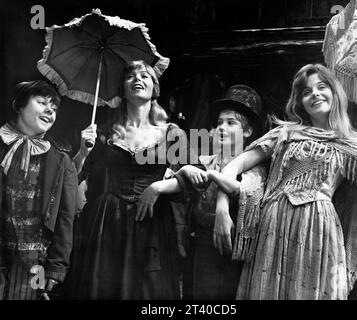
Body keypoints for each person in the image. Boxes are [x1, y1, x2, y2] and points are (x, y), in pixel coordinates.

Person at [213, 64, 357, 300]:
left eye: (322, 87)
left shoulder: (350, 144)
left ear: (335, 92)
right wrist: (222, 208)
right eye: (307, 92)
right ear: (300, 101)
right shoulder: (285, 133)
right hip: (274, 225)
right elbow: (234, 166)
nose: (315, 94)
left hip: (317, 228)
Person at [67, 60, 204, 299]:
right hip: (108, 221)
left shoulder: (171, 133)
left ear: (155, 88)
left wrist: (158, 187)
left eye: (145, 76)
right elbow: (75, 176)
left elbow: (197, 177)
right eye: (130, 76)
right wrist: (82, 151)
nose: (137, 79)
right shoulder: (107, 131)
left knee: (147, 291)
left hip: (152, 221)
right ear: (123, 88)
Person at [137, 85, 267, 299]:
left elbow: (245, 191)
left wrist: (214, 177)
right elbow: (184, 183)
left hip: (237, 251)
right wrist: (161, 184)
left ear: (247, 131)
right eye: (219, 123)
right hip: (202, 249)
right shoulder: (206, 162)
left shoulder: (256, 168)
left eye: (231, 123)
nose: (222, 128)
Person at [0, 80, 77, 300]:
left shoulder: (61, 161)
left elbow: (65, 219)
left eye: (53, 108)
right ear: (18, 105)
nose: (49, 110)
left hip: (35, 262)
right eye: (42, 102)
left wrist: (56, 267)